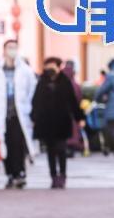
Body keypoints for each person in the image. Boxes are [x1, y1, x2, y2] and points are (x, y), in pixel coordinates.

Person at [0, 39, 37, 189]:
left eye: (15, 47)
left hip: (19, 114)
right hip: (0, 114)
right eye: (9, 47)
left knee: (18, 144)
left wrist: (30, 109)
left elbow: (32, 90)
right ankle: (10, 174)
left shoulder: (25, 70)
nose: (12, 50)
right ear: (4, 50)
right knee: (3, 144)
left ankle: (20, 173)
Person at [31, 58, 86, 189]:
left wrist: (79, 118)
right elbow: (36, 102)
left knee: (61, 149)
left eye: (52, 66)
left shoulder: (64, 81)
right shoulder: (42, 82)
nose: (49, 69)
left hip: (62, 122)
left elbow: (73, 101)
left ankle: (62, 175)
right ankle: (53, 176)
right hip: (46, 123)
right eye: (47, 66)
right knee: (50, 151)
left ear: (58, 67)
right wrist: (34, 118)